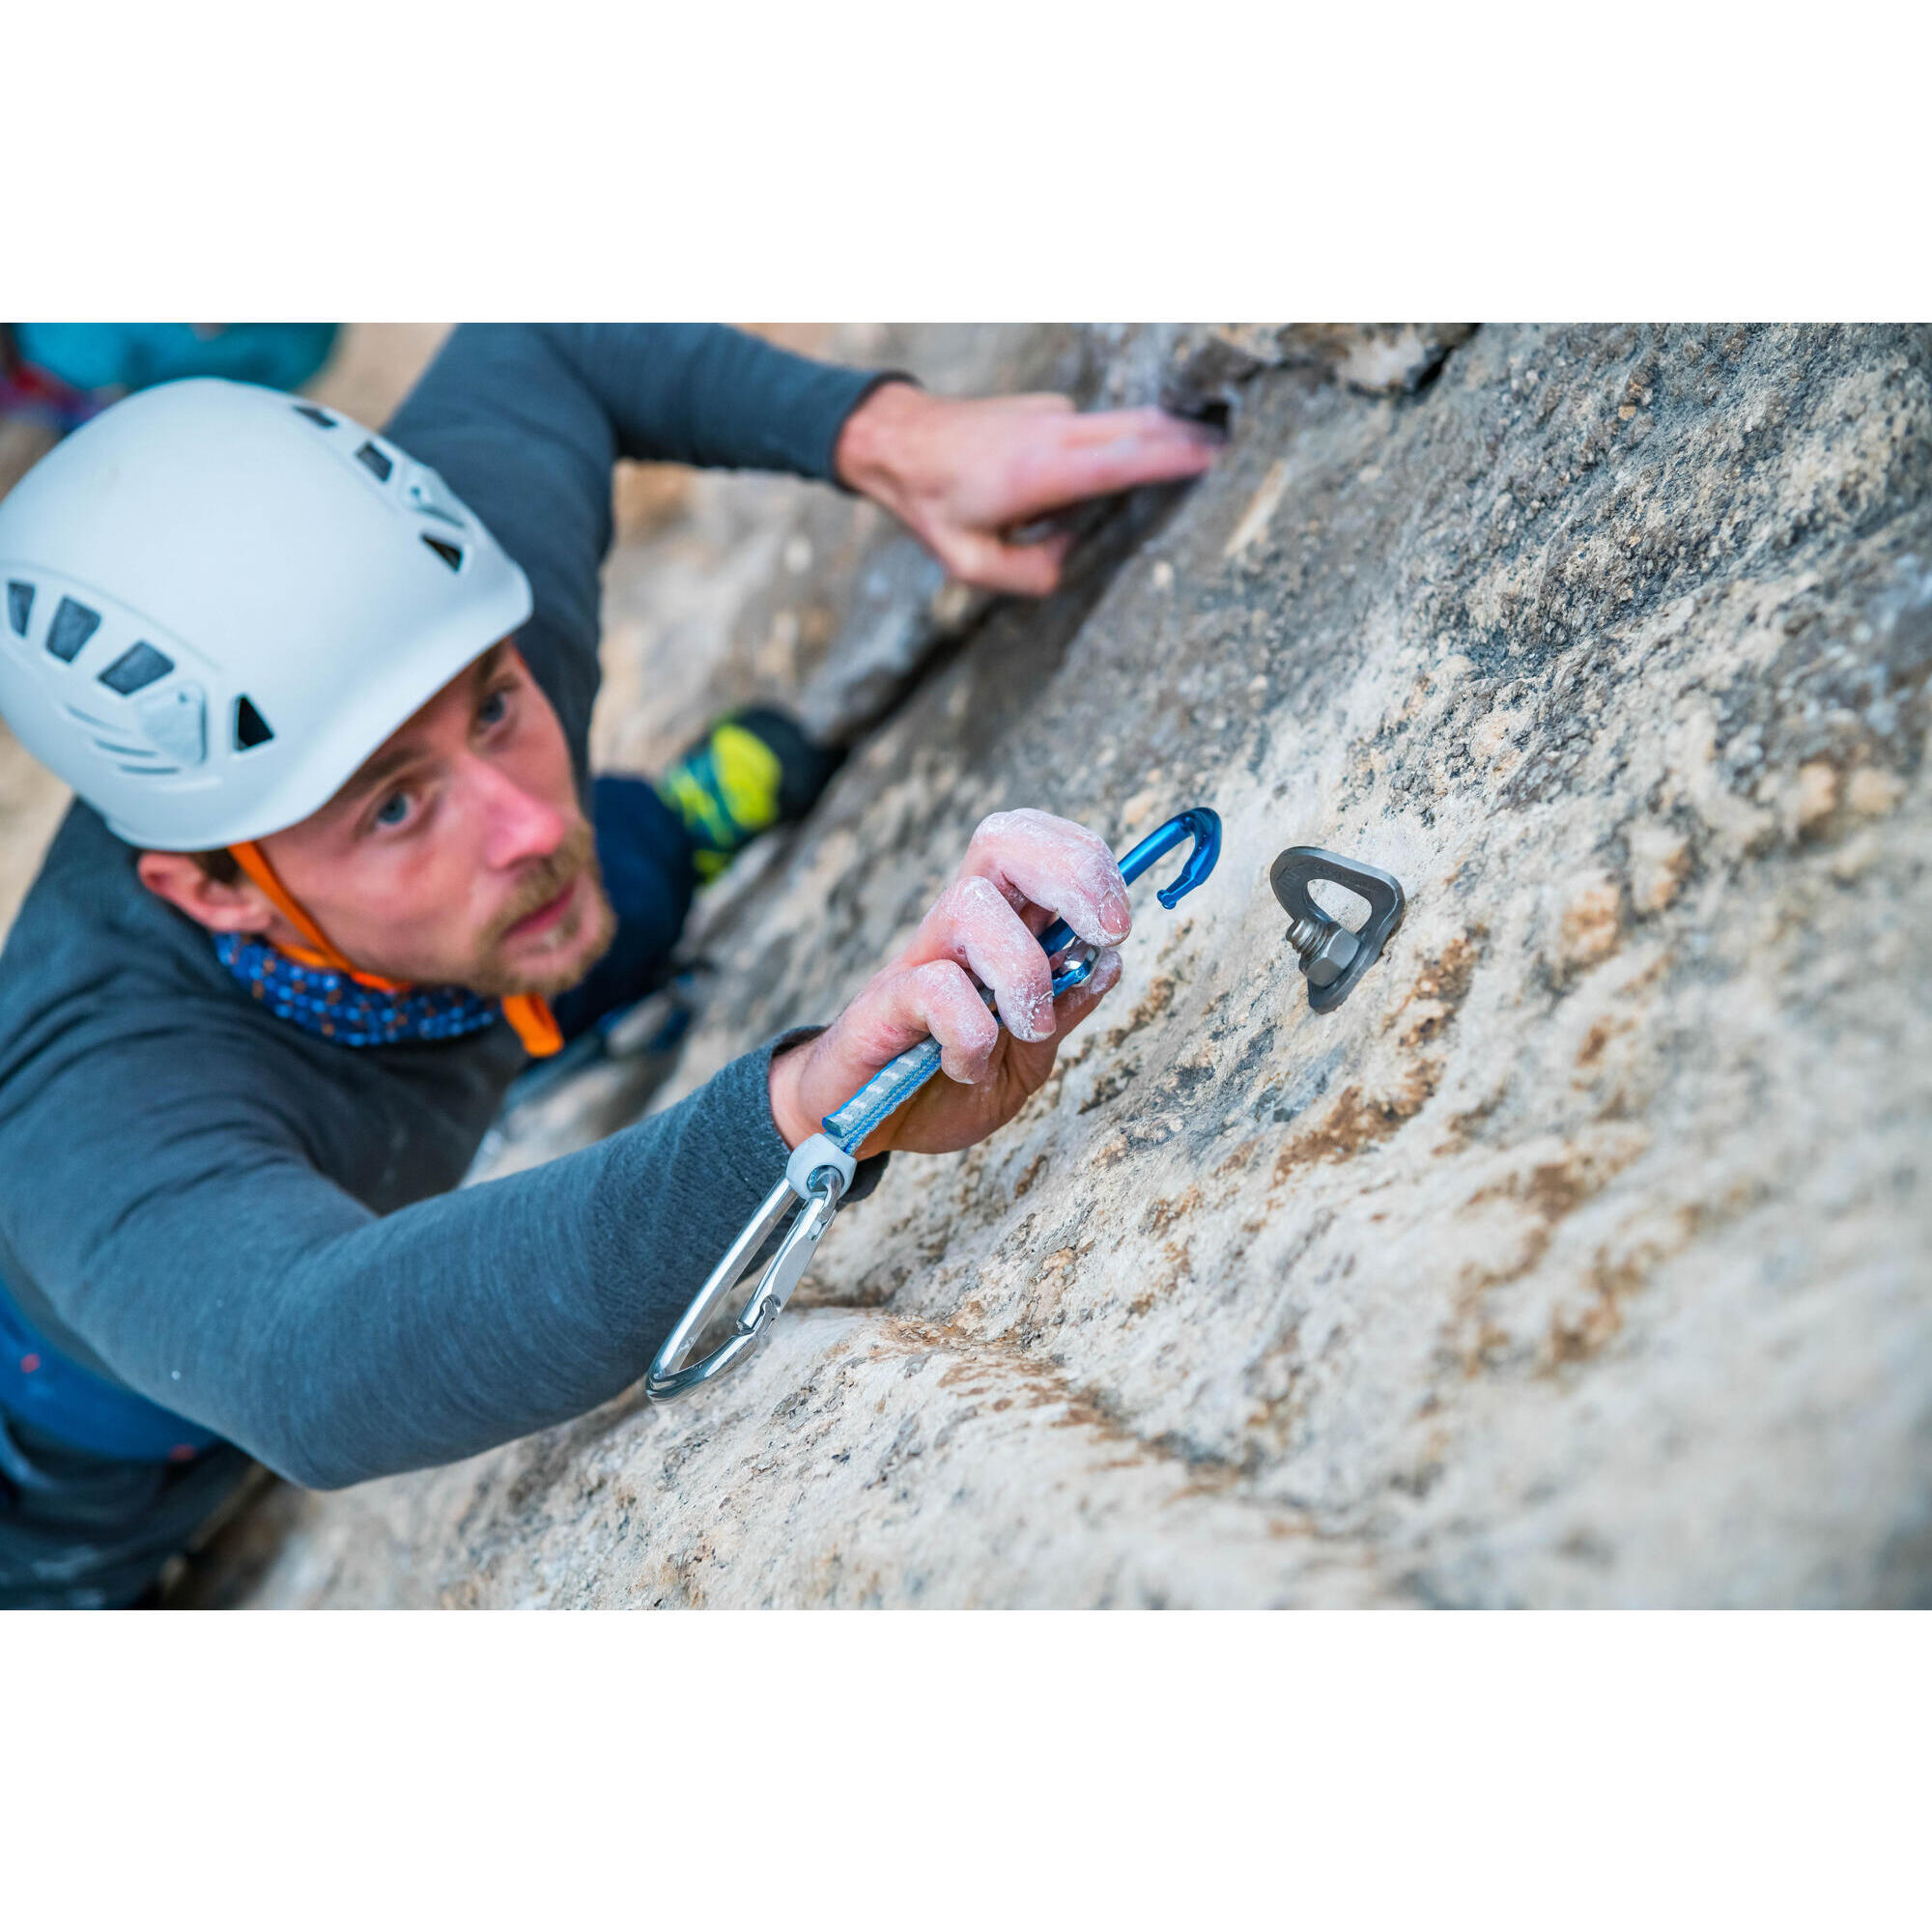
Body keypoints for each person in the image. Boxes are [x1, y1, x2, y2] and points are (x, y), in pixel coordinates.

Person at [0, 325, 1219, 1607]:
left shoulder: (447, 610)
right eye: (395, 809)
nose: (522, 813)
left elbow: (539, 345)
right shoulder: (93, 1114)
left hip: (450, 979)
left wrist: (898, 442)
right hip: (56, 1436)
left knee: (599, 878)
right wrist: (800, 1116)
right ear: (208, 890)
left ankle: (666, 825)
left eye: (495, 708)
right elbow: (309, 1362)